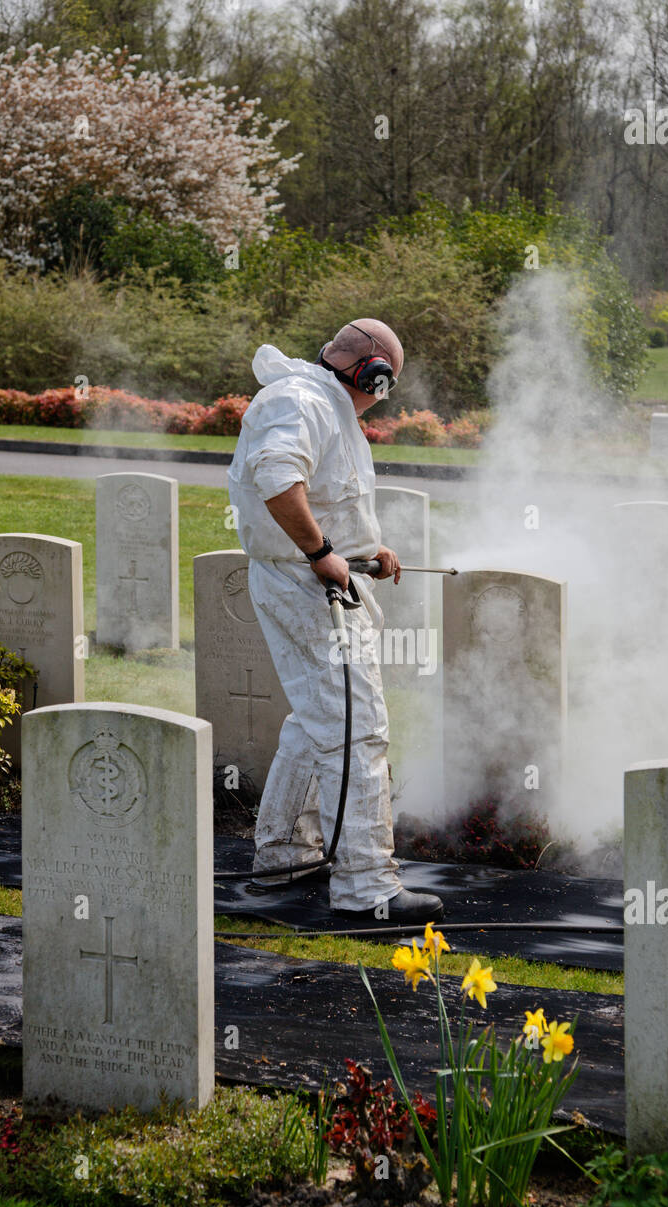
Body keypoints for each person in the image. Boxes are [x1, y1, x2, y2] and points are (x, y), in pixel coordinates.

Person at [227, 319, 445, 924]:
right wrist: (324, 554)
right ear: (373, 374)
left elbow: (325, 497)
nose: (384, 393)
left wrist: (363, 554)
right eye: (386, 383)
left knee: (317, 722)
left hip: (314, 576)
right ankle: (367, 889)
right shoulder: (298, 402)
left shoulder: (320, 403)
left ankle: (283, 860)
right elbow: (277, 480)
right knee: (358, 727)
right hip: (304, 584)